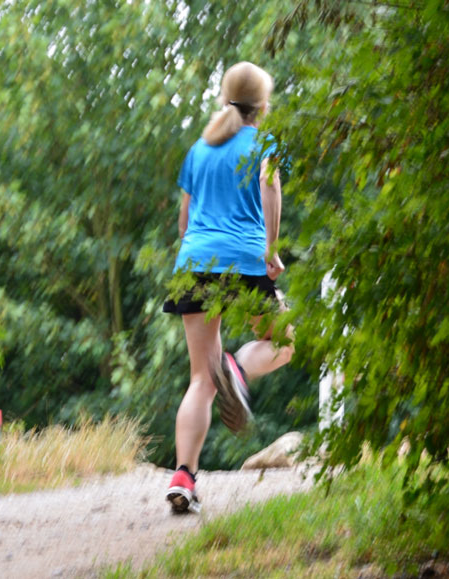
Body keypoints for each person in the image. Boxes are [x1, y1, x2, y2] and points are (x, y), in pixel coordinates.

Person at [162, 62, 294, 514]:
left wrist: (194, 253)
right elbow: (269, 185)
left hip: (194, 262)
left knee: (200, 378)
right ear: (263, 105)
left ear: (224, 99)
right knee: (286, 341)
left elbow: (184, 220)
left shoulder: (198, 149)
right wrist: (271, 249)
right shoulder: (264, 142)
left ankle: (183, 477)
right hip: (242, 258)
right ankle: (236, 369)